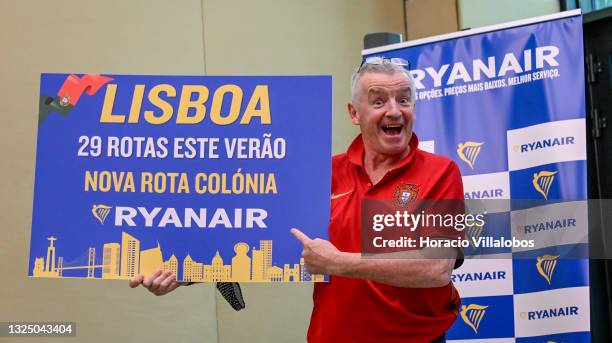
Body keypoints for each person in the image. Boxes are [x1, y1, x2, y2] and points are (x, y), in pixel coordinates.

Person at [130, 57, 463, 343]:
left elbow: (435, 268)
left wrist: (337, 263)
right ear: (354, 113)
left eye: (404, 100)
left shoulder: (440, 172)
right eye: (378, 102)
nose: (394, 110)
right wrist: (183, 272)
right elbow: (255, 238)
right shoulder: (321, 173)